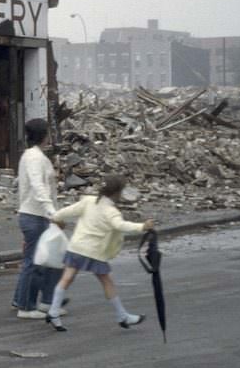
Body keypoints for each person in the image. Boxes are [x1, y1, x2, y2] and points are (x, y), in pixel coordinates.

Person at [46, 174, 155, 332]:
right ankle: (122, 315)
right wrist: (142, 226)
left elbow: (66, 212)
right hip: (94, 251)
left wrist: (55, 217)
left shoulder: (88, 201)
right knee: (107, 282)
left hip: (76, 247)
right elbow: (120, 226)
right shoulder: (111, 211)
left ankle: (53, 312)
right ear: (117, 193)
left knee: (67, 278)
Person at [12, 118, 65, 319]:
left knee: (44, 261)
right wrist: (52, 211)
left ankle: (34, 300)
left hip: (38, 215)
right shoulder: (34, 157)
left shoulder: (35, 156)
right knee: (34, 263)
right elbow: (37, 185)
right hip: (35, 215)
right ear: (43, 135)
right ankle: (26, 307)